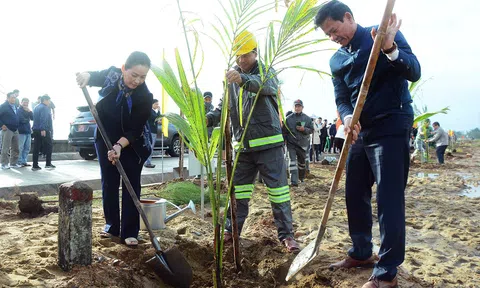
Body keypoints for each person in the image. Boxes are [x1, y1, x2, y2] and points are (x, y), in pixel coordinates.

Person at [315, 1, 421, 287]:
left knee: (388, 198)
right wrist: (348, 116)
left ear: (348, 17)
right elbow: (341, 96)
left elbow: (414, 71)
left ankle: (387, 272)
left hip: (391, 124)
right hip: (360, 132)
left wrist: (389, 48)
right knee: (354, 192)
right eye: (328, 35)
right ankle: (362, 252)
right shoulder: (336, 60)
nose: (333, 37)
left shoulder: (383, 34)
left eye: (335, 30)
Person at [206, 31, 299, 252]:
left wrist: (243, 79)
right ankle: (231, 231)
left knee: (278, 192)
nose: (241, 60)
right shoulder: (231, 79)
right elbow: (222, 108)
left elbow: (265, 85)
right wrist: (206, 118)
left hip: (269, 146)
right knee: (238, 193)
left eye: (245, 55)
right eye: (238, 56)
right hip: (243, 150)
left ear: (255, 53)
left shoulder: (266, 70)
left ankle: (287, 236)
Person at [76, 51, 153, 246]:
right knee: (109, 182)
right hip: (104, 137)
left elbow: (135, 129)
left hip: (132, 144)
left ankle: (130, 232)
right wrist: (86, 75)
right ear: (123, 69)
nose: (137, 81)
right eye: (133, 75)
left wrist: (119, 146)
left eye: (142, 77)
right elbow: (95, 75)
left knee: (130, 185)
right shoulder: (112, 75)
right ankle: (112, 227)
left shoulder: (145, 96)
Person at [284, 99, 313, 186]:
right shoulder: (288, 119)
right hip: (291, 144)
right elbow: (285, 131)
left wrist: (304, 129)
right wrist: (284, 141)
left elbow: (311, 130)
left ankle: (301, 177)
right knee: (292, 162)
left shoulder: (307, 119)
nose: (297, 108)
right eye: (296, 106)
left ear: (302, 107)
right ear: (293, 107)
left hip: (302, 145)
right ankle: (294, 182)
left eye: (299, 106)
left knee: (302, 163)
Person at [32, 95, 55, 170]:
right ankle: (48, 163)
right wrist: (43, 129)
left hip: (36, 129)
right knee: (49, 145)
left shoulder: (36, 107)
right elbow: (43, 119)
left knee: (36, 147)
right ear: (45, 100)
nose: (49, 102)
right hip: (43, 129)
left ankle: (35, 165)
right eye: (49, 100)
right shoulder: (45, 108)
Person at [0, 92, 20, 169]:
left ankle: (13, 163)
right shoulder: (3, 106)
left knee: (16, 147)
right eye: (12, 97)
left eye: (14, 97)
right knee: (5, 147)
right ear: (8, 98)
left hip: (15, 129)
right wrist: (2, 125)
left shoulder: (15, 106)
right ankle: (4, 164)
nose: (13, 99)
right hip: (7, 129)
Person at [17, 98, 33, 167]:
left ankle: (24, 161)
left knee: (27, 147)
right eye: (24, 102)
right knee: (20, 147)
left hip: (28, 131)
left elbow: (33, 118)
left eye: (27, 102)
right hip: (21, 131)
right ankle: (19, 161)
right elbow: (21, 120)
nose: (26, 104)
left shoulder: (28, 110)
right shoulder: (19, 110)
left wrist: (30, 112)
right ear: (21, 102)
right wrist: (27, 119)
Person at [144, 99, 160, 168]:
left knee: (151, 147)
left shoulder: (153, 111)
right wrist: (159, 111)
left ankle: (148, 161)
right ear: (152, 104)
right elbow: (156, 118)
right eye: (156, 104)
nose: (157, 105)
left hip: (154, 131)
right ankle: (147, 162)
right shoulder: (150, 111)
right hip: (151, 132)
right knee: (150, 147)